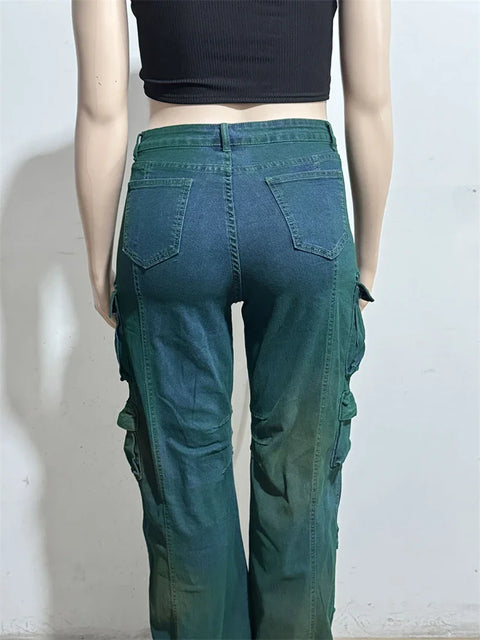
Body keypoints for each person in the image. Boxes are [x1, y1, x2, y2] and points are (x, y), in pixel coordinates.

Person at [72, 1, 392, 638]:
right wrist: (368, 259)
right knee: (300, 467)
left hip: (171, 197)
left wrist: (98, 260)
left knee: (184, 474)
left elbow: (100, 112)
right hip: (304, 194)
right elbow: (371, 103)